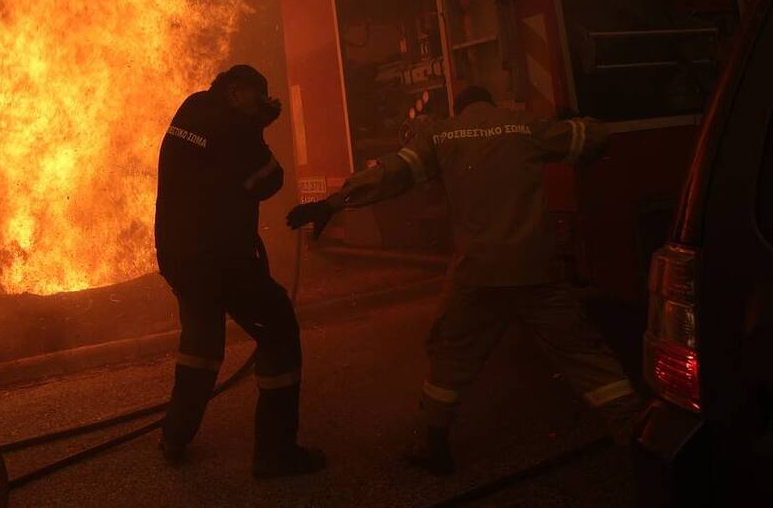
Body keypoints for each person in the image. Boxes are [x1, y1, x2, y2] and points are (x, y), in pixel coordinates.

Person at [287, 85, 645, 475]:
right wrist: (574, 120)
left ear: (460, 109)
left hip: (478, 274)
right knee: (583, 355)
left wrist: (332, 203)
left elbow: (391, 174)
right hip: (536, 270)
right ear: (490, 104)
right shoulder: (523, 126)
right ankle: (639, 437)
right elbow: (594, 138)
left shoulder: (442, 135)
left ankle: (434, 445)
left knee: (451, 354)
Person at [155, 64, 326, 479]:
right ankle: (276, 454)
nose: (260, 104)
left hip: (179, 256)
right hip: (221, 259)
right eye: (256, 96)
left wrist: (252, 127)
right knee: (279, 328)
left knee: (200, 341)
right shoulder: (236, 126)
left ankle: (175, 436)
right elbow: (270, 179)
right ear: (235, 91)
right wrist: (257, 128)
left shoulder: (192, 107)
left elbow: (220, 167)